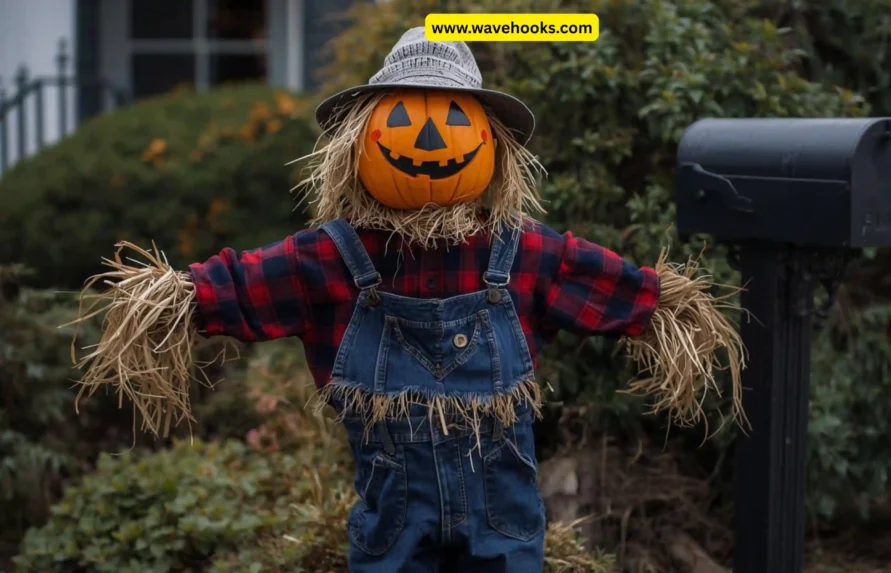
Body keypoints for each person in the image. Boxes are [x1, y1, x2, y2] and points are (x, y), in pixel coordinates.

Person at [70, 27, 746, 573]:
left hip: (502, 522)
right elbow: (248, 282)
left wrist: (662, 306)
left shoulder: (523, 252)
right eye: (402, 117)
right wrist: (177, 299)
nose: (429, 139)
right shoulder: (334, 258)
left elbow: (602, 282)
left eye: (453, 117)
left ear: (492, 145)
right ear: (359, 140)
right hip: (393, 521)